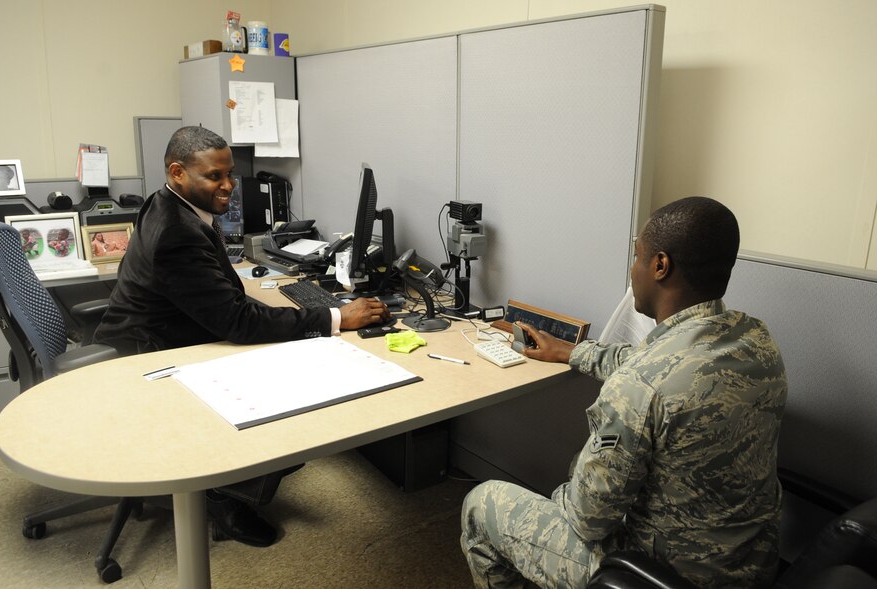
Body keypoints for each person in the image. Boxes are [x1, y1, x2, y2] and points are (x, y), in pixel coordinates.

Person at [460, 196, 788, 589]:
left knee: (483, 504)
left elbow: (588, 518)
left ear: (660, 266)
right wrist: (572, 351)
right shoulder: (755, 341)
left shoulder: (639, 386)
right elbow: (660, 364)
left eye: (637, 256)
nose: (633, 270)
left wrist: (567, 488)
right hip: (749, 567)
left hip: (657, 574)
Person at [94, 126, 390, 548]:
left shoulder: (166, 203)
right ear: (177, 172)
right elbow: (238, 321)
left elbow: (219, 296)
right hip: (150, 357)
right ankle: (223, 492)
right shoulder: (176, 233)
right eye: (215, 176)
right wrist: (334, 316)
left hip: (159, 334)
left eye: (230, 174)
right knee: (296, 381)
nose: (229, 186)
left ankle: (227, 482)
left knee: (288, 345)